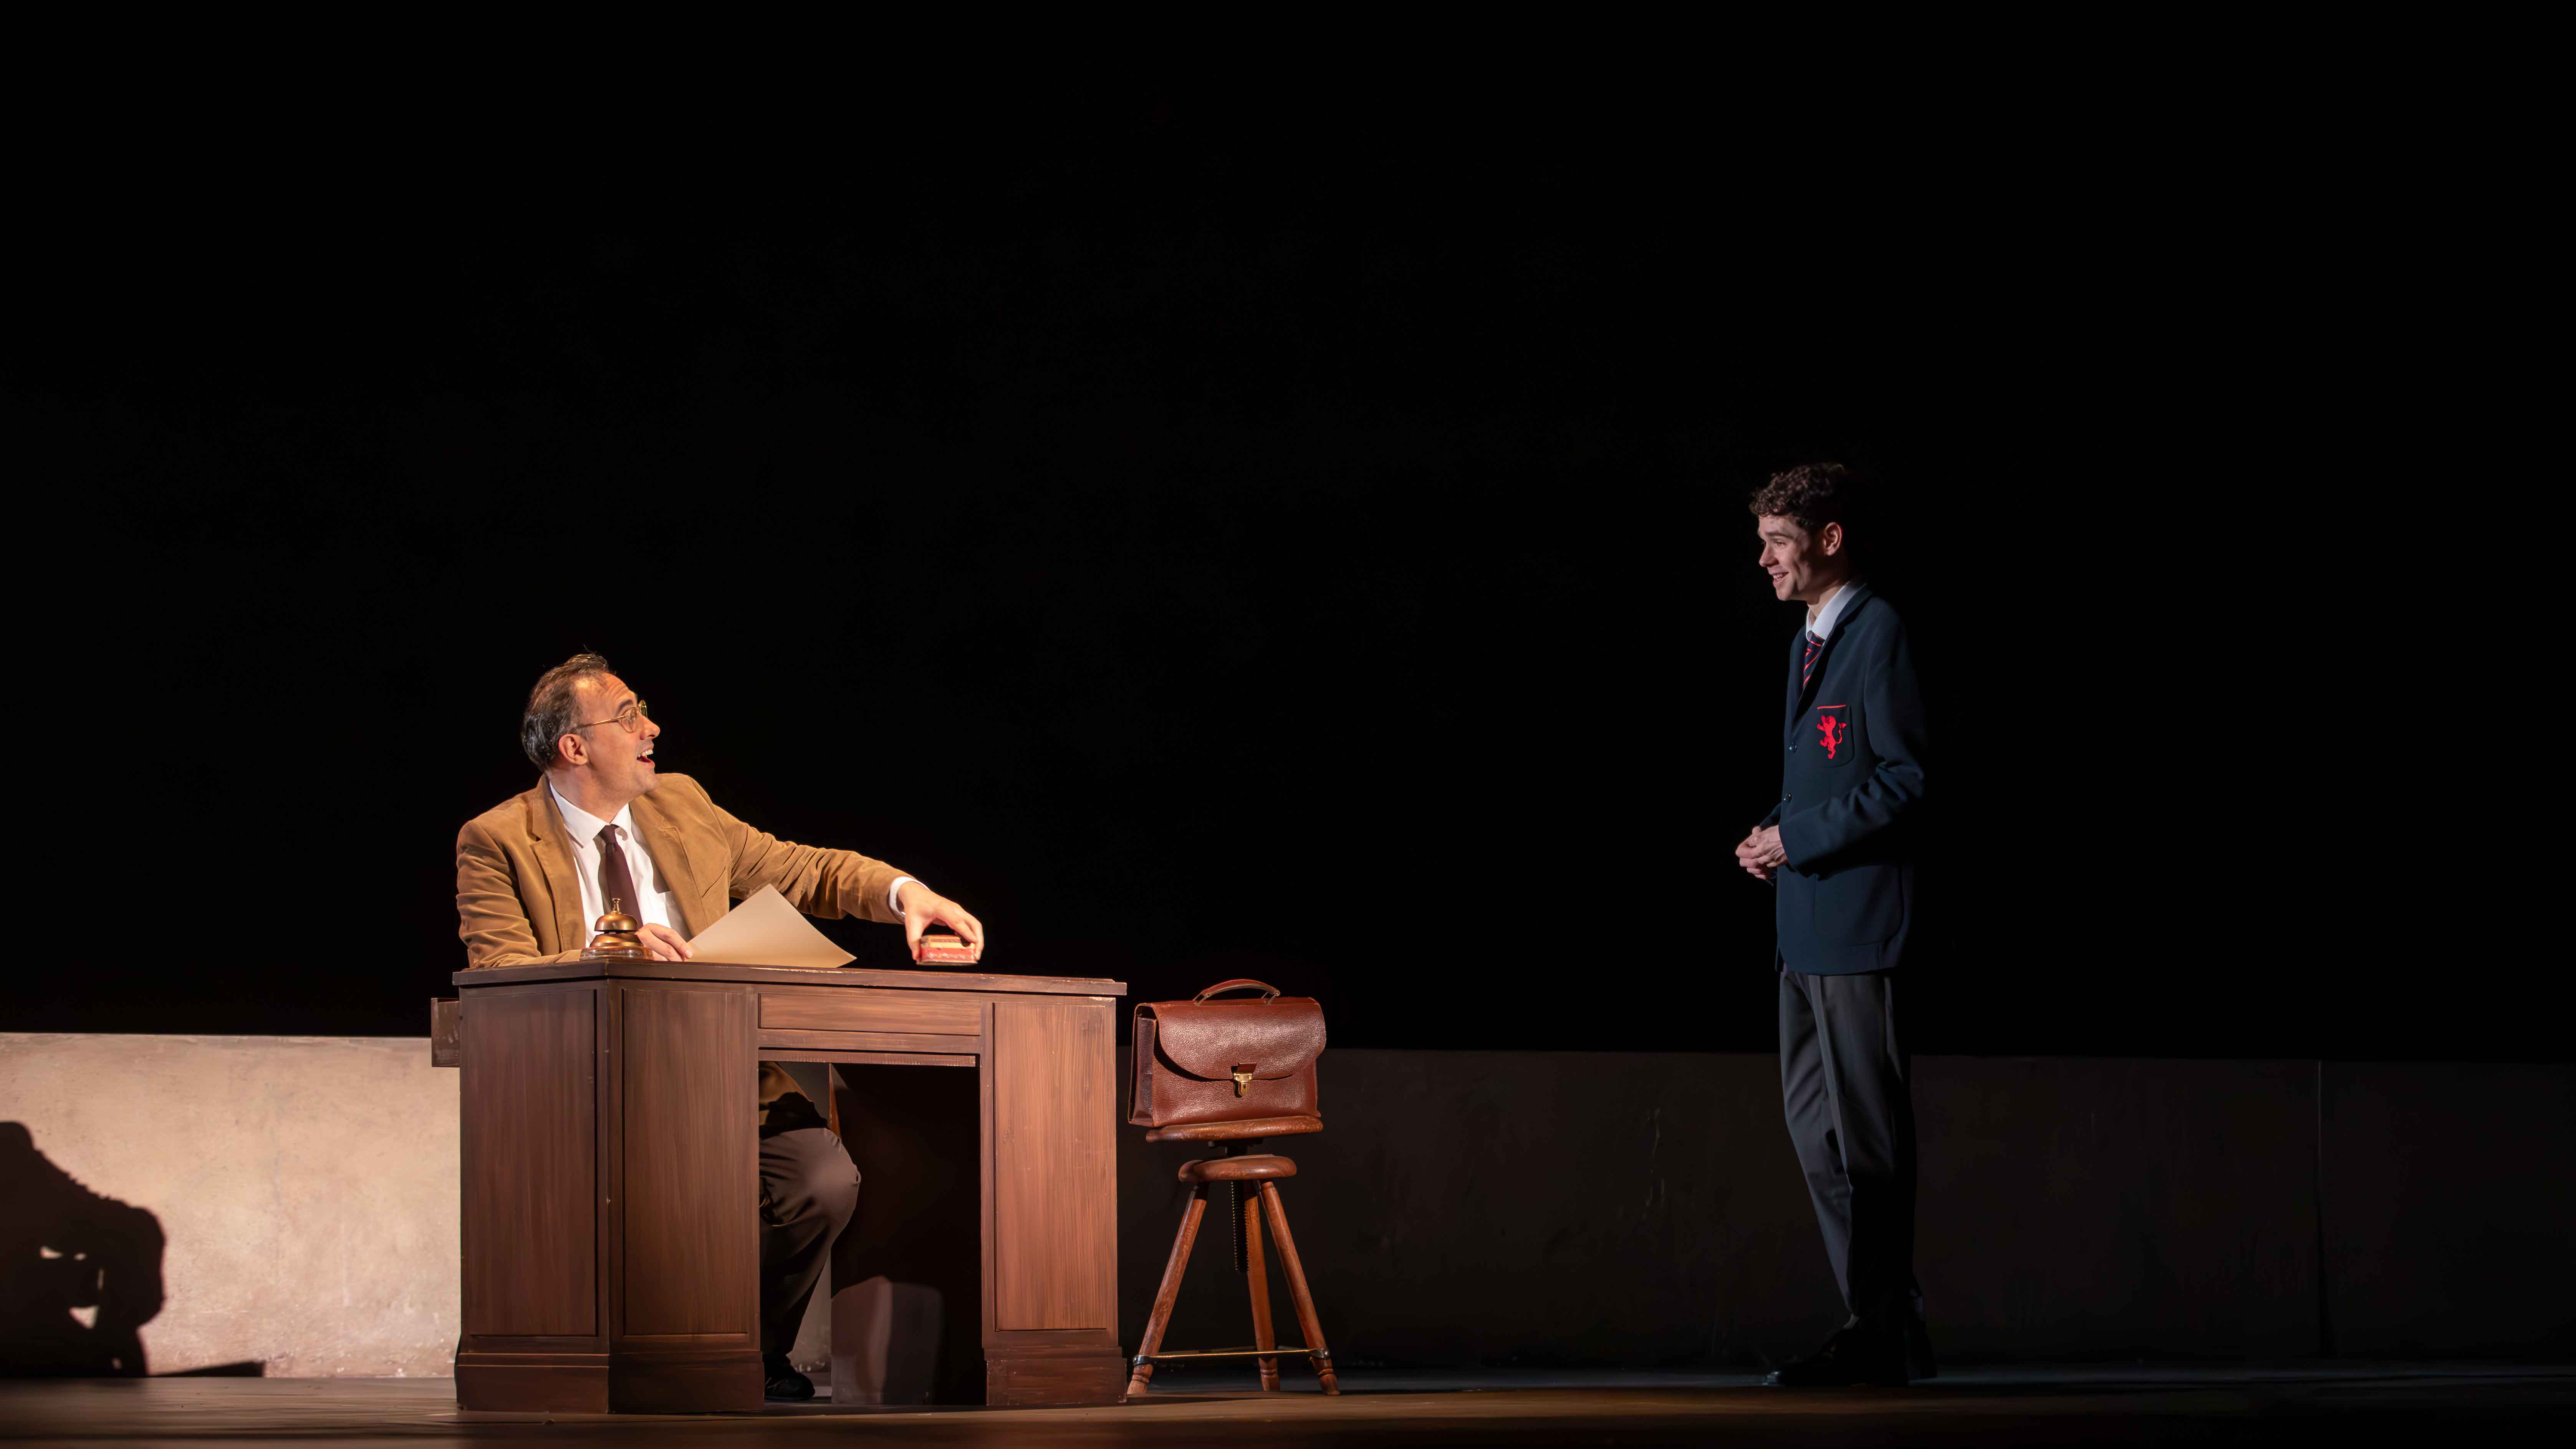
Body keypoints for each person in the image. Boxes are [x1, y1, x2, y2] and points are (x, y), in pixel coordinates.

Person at [454, 653, 988, 1401]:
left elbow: (804, 870)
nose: (652, 728)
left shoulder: (683, 804)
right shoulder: (497, 839)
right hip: (590, 1081)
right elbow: (499, 972)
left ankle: (755, 1351)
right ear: (575, 746)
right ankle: (636, 1357)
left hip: (721, 1065)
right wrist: (608, 953)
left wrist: (906, 894)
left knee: (820, 1180)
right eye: (629, 716)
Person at [1732, 463, 1934, 1387]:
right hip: (1802, 928)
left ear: (1830, 539)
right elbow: (1823, 772)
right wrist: (1773, 833)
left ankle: (1877, 1334)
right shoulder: (1807, 643)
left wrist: (1797, 838)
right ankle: (1886, 1325)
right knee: (1818, 1137)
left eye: (1779, 542)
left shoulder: (1879, 629)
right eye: (1764, 542)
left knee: (1868, 1145)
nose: (1766, 560)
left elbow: (1905, 778)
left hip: (1857, 925)